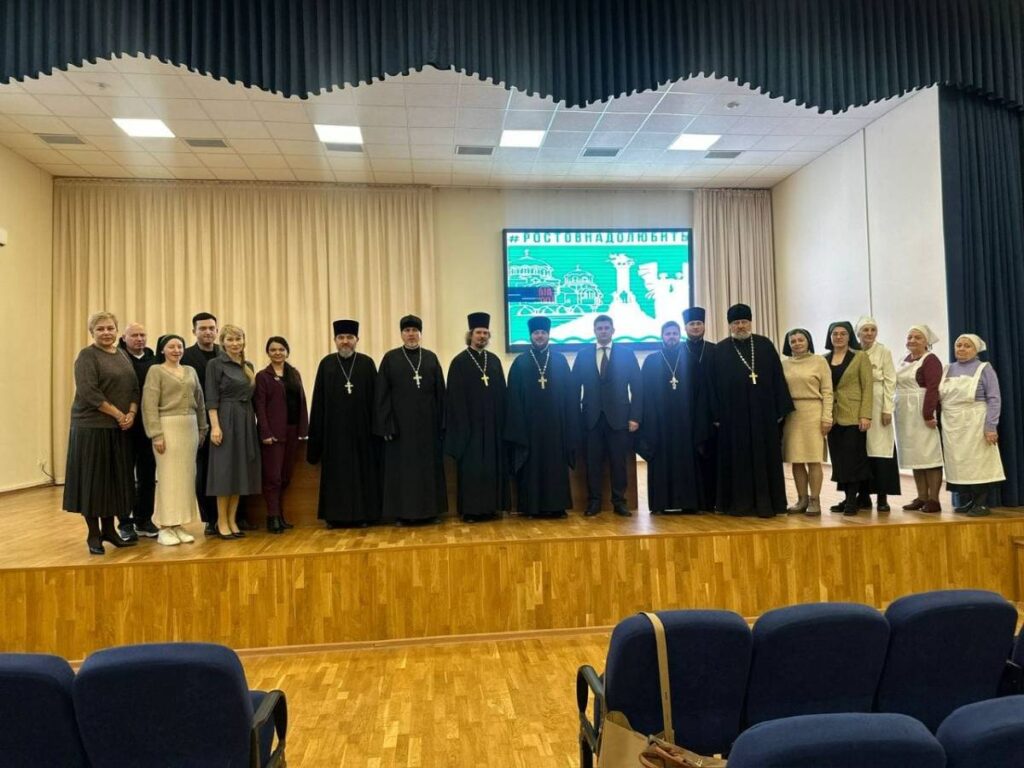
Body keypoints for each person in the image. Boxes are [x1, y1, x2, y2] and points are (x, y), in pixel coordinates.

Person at [703, 303, 794, 517]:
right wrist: (716, 415)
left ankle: (769, 504)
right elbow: (711, 386)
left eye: (744, 322)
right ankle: (737, 504)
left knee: (765, 458)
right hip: (732, 418)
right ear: (730, 325)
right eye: (736, 323)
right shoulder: (720, 350)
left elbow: (778, 378)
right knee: (737, 460)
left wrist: (779, 410)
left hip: (763, 415)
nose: (741, 326)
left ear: (750, 322)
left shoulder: (765, 345)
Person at [63, 311, 139, 554]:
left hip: (118, 428)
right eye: (100, 329)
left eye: (110, 328)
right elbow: (89, 392)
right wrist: (118, 415)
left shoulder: (122, 355)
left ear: (117, 331)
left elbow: (134, 388)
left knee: (113, 482)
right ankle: (93, 535)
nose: (106, 333)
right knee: (93, 483)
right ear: (92, 333)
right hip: (92, 428)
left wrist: (131, 413)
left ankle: (109, 531)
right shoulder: (87, 356)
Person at [307, 319, 382, 528]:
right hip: (334, 434)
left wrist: (378, 432)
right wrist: (316, 438)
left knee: (362, 474)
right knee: (336, 476)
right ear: (334, 340)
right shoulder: (327, 364)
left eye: (350, 337)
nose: (345, 341)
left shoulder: (367, 364)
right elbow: (318, 402)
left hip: (362, 433)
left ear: (357, 339)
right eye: (341, 337)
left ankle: (364, 515)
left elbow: (377, 401)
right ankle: (334, 517)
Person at [374, 315, 447, 524]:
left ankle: (431, 512)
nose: (411, 334)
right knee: (403, 472)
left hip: (428, 427)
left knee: (428, 470)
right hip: (400, 429)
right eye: (407, 331)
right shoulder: (390, 359)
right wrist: (386, 425)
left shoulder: (431, 358)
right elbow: (382, 395)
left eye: (415, 330)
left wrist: (442, 424)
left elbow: (440, 394)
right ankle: (402, 514)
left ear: (420, 333)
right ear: (401, 334)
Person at [505, 316, 578, 518]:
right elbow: (513, 398)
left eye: (543, 333)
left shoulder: (560, 361)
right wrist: (518, 427)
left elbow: (570, 395)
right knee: (532, 467)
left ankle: (557, 506)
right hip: (529, 428)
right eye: (536, 333)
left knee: (555, 466)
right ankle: (532, 507)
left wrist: (570, 423)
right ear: (531, 336)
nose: (540, 336)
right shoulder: (520, 363)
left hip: (556, 426)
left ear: (548, 335)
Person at [572, 314, 643, 517]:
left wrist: (635, 417)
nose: (603, 331)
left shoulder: (627, 354)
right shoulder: (583, 355)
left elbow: (638, 387)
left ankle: (619, 502)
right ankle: (594, 502)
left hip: (620, 418)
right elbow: (573, 388)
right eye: (599, 328)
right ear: (594, 331)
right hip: (591, 419)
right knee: (592, 463)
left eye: (606, 328)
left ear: (613, 330)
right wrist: (576, 418)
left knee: (618, 462)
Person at [142, 334, 208, 546]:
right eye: (171, 347)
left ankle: (177, 524)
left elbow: (200, 401)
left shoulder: (190, 371)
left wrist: (203, 428)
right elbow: (149, 404)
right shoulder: (156, 371)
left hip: (190, 427)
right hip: (168, 427)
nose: (176, 350)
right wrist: (156, 434)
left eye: (179, 346)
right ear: (162, 350)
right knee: (168, 477)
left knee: (186, 478)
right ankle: (164, 526)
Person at [445, 312, 510, 522]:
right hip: (469, 429)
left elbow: (502, 394)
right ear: (470, 335)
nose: (482, 336)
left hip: (492, 427)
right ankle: (471, 511)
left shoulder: (494, 361)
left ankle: (492, 508)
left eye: (485, 333)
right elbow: (454, 398)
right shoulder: (459, 362)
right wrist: (463, 426)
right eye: (478, 332)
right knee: (472, 469)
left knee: (491, 467)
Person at [637, 320, 700, 514]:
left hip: (685, 422)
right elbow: (643, 392)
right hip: (659, 422)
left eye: (674, 333)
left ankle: (688, 503)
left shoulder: (691, 360)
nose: (671, 337)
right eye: (668, 334)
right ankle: (660, 504)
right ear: (662, 336)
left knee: (686, 461)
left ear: (679, 335)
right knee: (661, 460)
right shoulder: (651, 361)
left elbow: (699, 392)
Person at [939, 334, 1005, 517]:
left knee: (978, 462)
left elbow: (994, 398)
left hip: (975, 421)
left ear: (976, 350)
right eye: (958, 345)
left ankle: (981, 503)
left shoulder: (984, 368)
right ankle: (971, 501)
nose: (961, 348)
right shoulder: (947, 369)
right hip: (952, 423)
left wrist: (990, 427)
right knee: (959, 462)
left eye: (967, 346)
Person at [205, 324, 261, 538]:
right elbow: (211, 397)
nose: (235, 343)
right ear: (222, 342)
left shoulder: (248, 365)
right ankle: (221, 521)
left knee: (240, 471)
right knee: (225, 472)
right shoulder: (215, 364)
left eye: (238, 339)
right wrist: (215, 426)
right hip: (225, 419)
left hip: (245, 420)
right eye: (230, 339)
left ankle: (232, 519)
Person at [255, 336, 309, 533]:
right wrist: (265, 432)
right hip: (273, 435)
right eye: (273, 350)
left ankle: (280, 515)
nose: (277, 353)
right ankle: (272, 517)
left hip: (292, 431)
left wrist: (304, 429)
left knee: (285, 476)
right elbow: (260, 407)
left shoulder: (294, 374)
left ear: (287, 352)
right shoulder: (263, 376)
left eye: (281, 349)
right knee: (273, 477)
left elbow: (302, 401)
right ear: (268, 353)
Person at [780, 328, 833, 516]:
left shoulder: (819, 361)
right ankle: (801, 498)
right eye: (793, 341)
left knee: (813, 459)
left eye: (800, 340)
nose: (797, 344)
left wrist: (827, 417)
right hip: (792, 414)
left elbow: (827, 391)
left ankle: (815, 500)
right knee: (796, 459)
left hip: (813, 412)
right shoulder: (784, 364)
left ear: (808, 341)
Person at [823, 321, 873, 515]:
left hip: (853, 414)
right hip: (832, 416)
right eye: (835, 334)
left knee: (853, 459)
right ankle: (846, 498)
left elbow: (867, 387)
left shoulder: (860, 356)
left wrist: (865, 414)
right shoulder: (824, 359)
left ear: (849, 336)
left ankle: (853, 500)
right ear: (830, 337)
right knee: (839, 460)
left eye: (843, 333)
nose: (838, 337)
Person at [894, 325, 944, 513]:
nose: (912, 340)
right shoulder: (903, 360)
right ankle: (921, 496)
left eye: (917, 337)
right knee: (915, 455)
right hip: (905, 412)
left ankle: (934, 499)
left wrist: (928, 413)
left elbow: (933, 388)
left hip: (922, 409)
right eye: (910, 337)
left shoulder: (930, 360)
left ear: (926, 342)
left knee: (929, 455)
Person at [117, 322, 159, 541]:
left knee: (147, 476)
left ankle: (144, 519)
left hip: (148, 426)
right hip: (123, 425)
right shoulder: (117, 358)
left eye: (143, 334)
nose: (139, 339)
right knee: (124, 475)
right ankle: (125, 523)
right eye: (134, 335)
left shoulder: (155, 361)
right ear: (124, 337)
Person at [854, 317, 901, 512]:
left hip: (878, 402)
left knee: (880, 450)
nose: (869, 333)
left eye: (873, 330)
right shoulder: (853, 351)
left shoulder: (883, 352)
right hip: (857, 402)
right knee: (860, 451)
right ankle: (862, 495)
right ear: (858, 332)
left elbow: (890, 380)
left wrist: (887, 408)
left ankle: (882, 497)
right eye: (865, 330)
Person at [182, 312, 222, 535]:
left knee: (225, 469)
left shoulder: (225, 353)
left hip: (225, 418)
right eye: (202, 328)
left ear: (217, 330)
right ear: (194, 331)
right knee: (204, 470)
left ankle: (231, 516)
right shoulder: (185, 356)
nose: (207, 332)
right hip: (198, 421)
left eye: (211, 328)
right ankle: (210, 519)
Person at [683, 306, 717, 511]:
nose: (695, 327)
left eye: (699, 323)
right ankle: (691, 500)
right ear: (685, 327)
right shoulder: (679, 351)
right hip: (687, 412)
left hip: (711, 412)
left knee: (711, 456)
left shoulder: (715, 350)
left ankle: (712, 500)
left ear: (704, 326)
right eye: (692, 324)